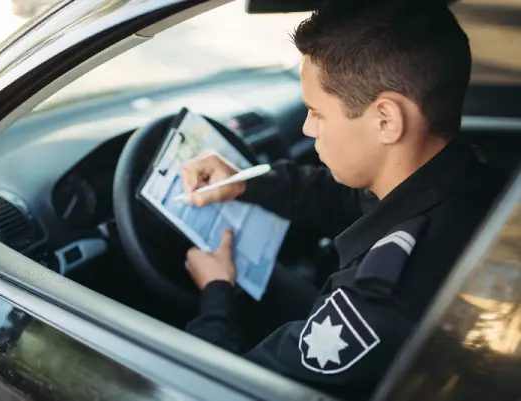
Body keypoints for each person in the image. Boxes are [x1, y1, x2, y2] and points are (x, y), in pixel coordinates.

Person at [180, 0, 506, 399]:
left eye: (317, 113)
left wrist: (216, 293)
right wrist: (248, 183)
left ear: (386, 120)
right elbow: (351, 198)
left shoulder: (379, 305)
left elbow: (222, 389)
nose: (306, 128)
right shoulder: (471, 181)